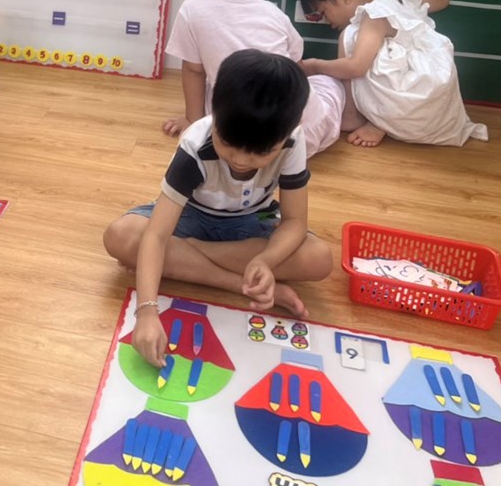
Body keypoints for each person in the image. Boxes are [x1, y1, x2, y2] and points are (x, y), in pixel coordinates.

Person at [104, 50, 332, 367]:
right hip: (191, 217)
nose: (240, 160)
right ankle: (238, 283)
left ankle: (186, 254)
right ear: (216, 112)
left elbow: (294, 221)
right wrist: (146, 311)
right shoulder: (195, 144)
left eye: (260, 154)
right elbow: (156, 235)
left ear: (286, 135)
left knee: (319, 259)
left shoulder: (293, 140)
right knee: (120, 236)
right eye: (227, 143)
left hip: (251, 222)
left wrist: (265, 261)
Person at [161, 0, 345, 158]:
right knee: (329, 84)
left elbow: (193, 70)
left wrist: (193, 122)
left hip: (235, 135)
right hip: (298, 136)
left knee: (213, 86)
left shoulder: (191, 9)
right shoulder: (272, 12)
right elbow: (296, 68)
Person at [299, 0, 486, 147]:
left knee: (349, 36)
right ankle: (376, 119)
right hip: (432, 100)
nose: (327, 21)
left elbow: (356, 66)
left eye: (323, 12)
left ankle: (362, 118)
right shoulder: (397, 2)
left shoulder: (374, 14)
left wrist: (314, 66)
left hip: (413, 101)